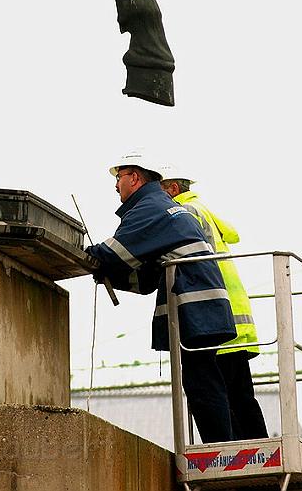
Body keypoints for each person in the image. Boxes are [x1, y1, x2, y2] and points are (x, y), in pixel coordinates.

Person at [85, 151, 237, 443]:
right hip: (203, 306)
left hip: (196, 306)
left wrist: (90, 257)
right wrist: (114, 275)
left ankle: (220, 451)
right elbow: (148, 278)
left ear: (134, 177)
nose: (116, 186)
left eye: (119, 178)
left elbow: (114, 252)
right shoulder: (163, 206)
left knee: (202, 385)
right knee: (204, 382)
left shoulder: (148, 209)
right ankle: (221, 447)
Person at [159, 166, 268, 440]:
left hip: (215, 316)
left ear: (173, 189)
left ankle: (236, 455)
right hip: (234, 318)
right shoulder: (204, 211)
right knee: (240, 395)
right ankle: (257, 451)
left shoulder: (187, 213)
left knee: (220, 394)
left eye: (160, 189)